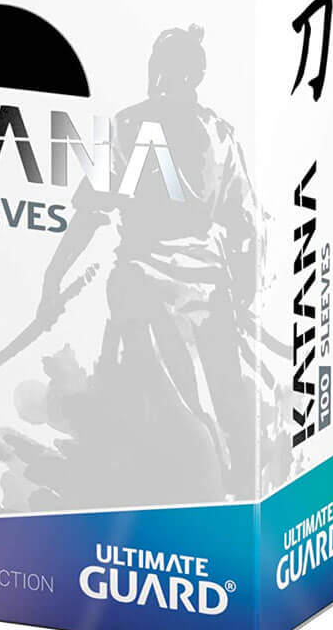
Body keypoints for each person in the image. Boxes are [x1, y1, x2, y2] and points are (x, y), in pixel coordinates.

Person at [36, 25, 264, 500]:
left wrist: (52, 281)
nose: (162, 79)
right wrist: (52, 279)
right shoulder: (216, 134)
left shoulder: (130, 126)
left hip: (157, 292)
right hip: (186, 293)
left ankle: (218, 497)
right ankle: (223, 494)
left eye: (166, 70)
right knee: (208, 407)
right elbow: (244, 226)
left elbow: (89, 215)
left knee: (192, 410)